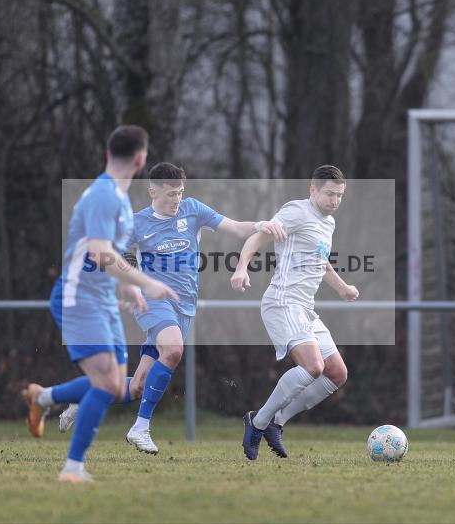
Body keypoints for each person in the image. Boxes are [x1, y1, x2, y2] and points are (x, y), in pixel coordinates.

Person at [58, 162, 286, 454]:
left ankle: (85, 395)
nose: (176, 199)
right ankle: (140, 428)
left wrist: (260, 225)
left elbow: (237, 228)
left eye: (180, 193)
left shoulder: (193, 209)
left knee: (138, 386)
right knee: (174, 350)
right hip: (153, 301)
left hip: (184, 307)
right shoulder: (136, 223)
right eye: (170, 194)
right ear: (153, 192)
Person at [22, 125, 178, 484]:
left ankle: (43, 397)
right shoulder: (104, 196)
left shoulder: (120, 200)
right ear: (141, 159)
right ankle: (72, 469)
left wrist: (127, 287)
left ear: (108, 153)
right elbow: (99, 253)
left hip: (103, 300)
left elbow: (109, 257)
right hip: (78, 298)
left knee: (116, 386)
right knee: (107, 384)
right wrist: (146, 283)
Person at [230, 165, 359, 460]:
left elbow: (321, 262)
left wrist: (342, 288)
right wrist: (241, 268)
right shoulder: (296, 212)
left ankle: (277, 422)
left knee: (336, 373)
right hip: (283, 302)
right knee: (313, 367)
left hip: (305, 308)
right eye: (329, 194)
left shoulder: (329, 223)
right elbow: (258, 236)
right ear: (312, 190)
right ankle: (258, 421)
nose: (335, 201)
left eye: (339, 195)